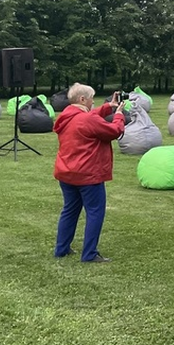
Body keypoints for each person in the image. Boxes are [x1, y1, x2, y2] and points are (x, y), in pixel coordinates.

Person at [53, 84, 125, 263]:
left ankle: (61, 249)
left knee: (69, 210)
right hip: (88, 174)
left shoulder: (66, 116)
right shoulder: (86, 120)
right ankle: (89, 253)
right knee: (95, 212)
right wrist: (119, 115)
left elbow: (89, 117)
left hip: (67, 172)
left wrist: (109, 106)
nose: (94, 102)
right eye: (92, 98)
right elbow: (114, 131)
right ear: (83, 99)